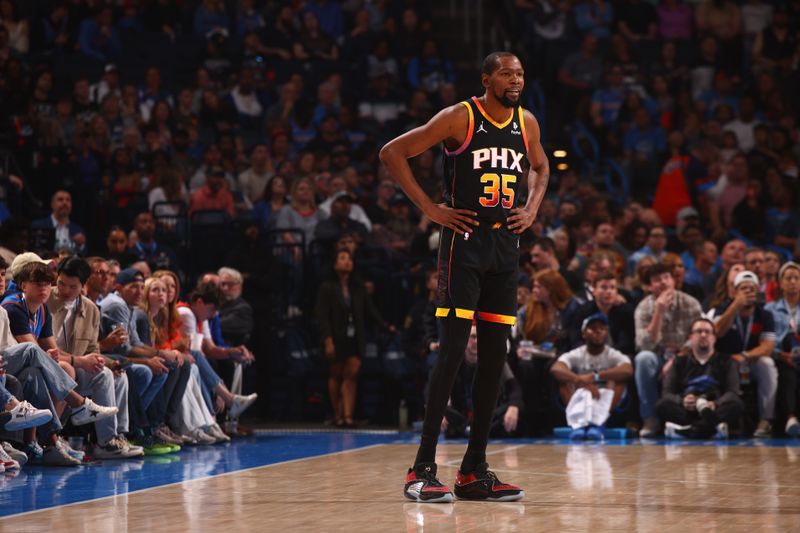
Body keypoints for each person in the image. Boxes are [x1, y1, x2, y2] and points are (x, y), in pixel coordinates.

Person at [381, 51, 548, 503]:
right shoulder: (461, 116)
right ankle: (421, 467)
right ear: (487, 78)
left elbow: (541, 166)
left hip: (505, 247)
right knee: (454, 351)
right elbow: (392, 152)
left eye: (520, 74)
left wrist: (531, 209)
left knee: (495, 356)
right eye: (507, 73)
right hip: (464, 242)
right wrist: (431, 210)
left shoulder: (527, 122)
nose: (515, 80)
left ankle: (474, 470)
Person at [48, 256, 142, 458]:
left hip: (76, 367)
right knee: (104, 375)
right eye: (61, 284)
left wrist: (105, 362)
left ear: (83, 285)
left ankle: (115, 437)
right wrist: (83, 361)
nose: (65, 291)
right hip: (53, 364)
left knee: (114, 373)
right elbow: (48, 349)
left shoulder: (91, 309)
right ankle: (105, 441)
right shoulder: (46, 300)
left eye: (72, 287)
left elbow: (93, 350)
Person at [316, 249, 394, 427]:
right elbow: (322, 316)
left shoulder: (358, 287)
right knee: (336, 374)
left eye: (349, 259)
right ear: (335, 264)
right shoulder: (326, 287)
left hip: (355, 336)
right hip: (335, 337)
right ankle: (338, 414)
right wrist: (327, 340)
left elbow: (370, 310)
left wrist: (385, 325)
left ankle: (348, 416)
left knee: (352, 374)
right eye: (342, 258)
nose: (347, 262)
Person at [634, 263, 703, 437]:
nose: (663, 283)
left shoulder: (690, 303)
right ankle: (650, 419)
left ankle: (693, 419)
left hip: (685, 357)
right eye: (657, 280)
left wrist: (676, 359)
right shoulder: (643, 308)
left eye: (667, 278)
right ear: (650, 286)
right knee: (643, 359)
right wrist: (659, 311)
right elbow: (645, 345)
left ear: (674, 281)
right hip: (658, 358)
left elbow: (699, 337)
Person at [713, 270, 777, 437]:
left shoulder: (765, 314)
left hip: (751, 361)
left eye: (752, 289)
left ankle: (766, 420)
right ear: (734, 291)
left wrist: (746, 356)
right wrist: (736, 305)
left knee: (767, 364)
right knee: (728, 365)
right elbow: (717, 332)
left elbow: (768, 347)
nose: (748, 292)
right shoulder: (721, 309)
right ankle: (725, 418)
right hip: (727, 363)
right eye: (743, 288)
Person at [657, 318, 744, 439]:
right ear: (691, 337)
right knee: (662, 405)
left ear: (714, 338)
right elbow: (667, 393)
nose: (703, 335)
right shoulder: (679, 362)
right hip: (688, 410)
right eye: (698, 331)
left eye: (707, 332)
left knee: (736, 404)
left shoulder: (727, 361)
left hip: (714, 408)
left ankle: (689, 431)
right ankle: (712, 430)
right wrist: (682, 401)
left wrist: (715, 404)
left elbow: (733, 392)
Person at [551, 313, 633, 439]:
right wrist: (580, 380)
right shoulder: (577, 353)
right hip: (581, 395)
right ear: (584, 333)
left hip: (604, 396)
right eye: (593, 329)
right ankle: (578, 425)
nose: (598, 332)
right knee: (564, 381)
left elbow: (628, 370)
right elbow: (556, 369)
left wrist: (596, 376)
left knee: (619, 380)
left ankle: (599, 423)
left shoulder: (612, 354)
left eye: (602, 329)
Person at [764, 262, 800, 436]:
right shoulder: (769, 309)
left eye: (796, 278)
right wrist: (780, 354)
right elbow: (764, 341)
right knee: (787, 373)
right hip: (779, 357)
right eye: (788, 278)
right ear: (780, 282)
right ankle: (790, 417)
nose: (793, 281)